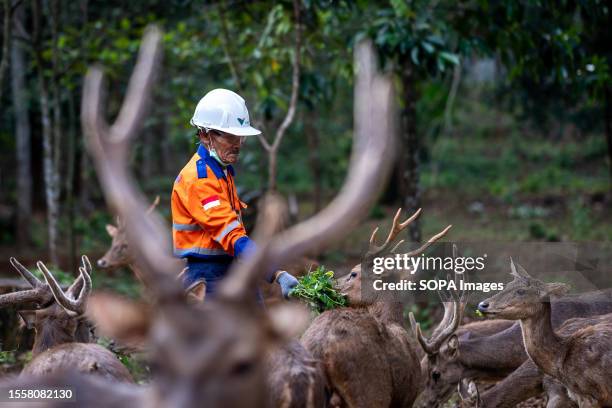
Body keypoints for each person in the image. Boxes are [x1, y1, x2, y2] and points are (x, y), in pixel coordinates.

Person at [171, 89, 298, 300]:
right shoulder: (199, 179)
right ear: (205, 135)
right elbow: (231, 234)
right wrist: (276, 273)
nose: (237, 143)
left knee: (258, 329)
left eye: (240, 137)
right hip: (207, 278)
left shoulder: (220, 170)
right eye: (230, 136)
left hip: (231, 267)